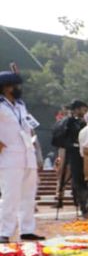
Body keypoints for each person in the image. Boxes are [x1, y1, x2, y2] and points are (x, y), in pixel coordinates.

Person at [0, 69, 44, 242]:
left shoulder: (20, 105)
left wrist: (36, 152)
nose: (19, 88)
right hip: (9, 156)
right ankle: (4, 231)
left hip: (27, 154)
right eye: (15, 85)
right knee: (10, 195)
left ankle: (27, 230)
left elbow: (28, 126)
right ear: (6, 87)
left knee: (28, 195)